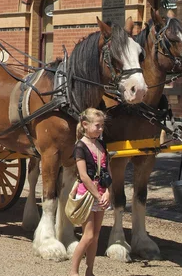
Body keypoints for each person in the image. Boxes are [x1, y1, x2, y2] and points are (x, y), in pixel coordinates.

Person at [70, 108, 111, 276]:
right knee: (87, 235)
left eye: (102, 126)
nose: (101, 129)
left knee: (96, 235)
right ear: (85, 125)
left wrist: (108, 192)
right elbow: (83, 176)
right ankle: (73, 271)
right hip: (88, 194)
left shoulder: (102, 145)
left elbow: (107, 170)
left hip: (101, 192)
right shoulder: (80, 147)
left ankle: (90, 270)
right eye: (97, 126)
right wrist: (98, 195)